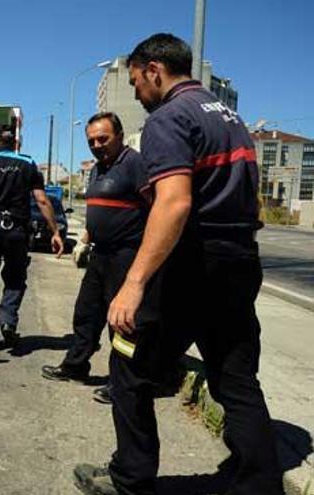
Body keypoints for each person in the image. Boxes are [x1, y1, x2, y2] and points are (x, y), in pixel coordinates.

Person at [74, 33, 283, 495]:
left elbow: (173, 204)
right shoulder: (230, 117)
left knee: (128, 365)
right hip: (239, 261)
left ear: (154, 70)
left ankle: (130, 478)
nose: (136, 93)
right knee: (235, 376)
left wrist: (134, 284)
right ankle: (259, 484)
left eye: (135, 83)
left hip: (191, 266)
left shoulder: (170, 118)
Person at [41, 112, 149, 407]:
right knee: (86, 313)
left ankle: (122, 385)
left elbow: (157, 207)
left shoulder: (135, 164)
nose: (97, 145)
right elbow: (98, 210)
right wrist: (86, 240)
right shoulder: (97, 169)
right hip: (100, 253)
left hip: (126, 254)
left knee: (122, 323)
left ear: (120, 135)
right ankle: (75, 366)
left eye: (103, 138)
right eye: (91, 141)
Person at [0, 124, 64, 351]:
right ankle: (8, 321)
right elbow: (42, 200)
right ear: (15, 143)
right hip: (16, 230)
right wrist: (55, 232)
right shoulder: (27, 164)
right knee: (15, 278)